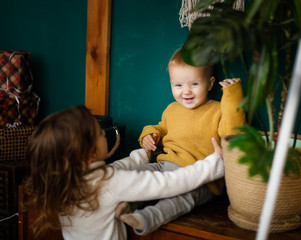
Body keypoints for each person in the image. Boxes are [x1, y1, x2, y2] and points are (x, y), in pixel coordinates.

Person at [22, 105, 224, 240]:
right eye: (100, 134)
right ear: (87, 152)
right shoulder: (108, 183)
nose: (104, 135)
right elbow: (169, 182)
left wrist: (143, 155)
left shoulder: (66, 182)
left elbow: (116, 168)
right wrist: (214, 162)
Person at [119, 49, 246, 235]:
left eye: (194, 84)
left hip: (201, 177)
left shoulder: (218, 110)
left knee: (183, 199)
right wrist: (149, 135)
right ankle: (125, 204)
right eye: (178, 85)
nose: (186, 91)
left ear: (210, 83)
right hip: (165, 167)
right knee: (138, 175)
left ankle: (147, 218)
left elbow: (232, 132)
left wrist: (232, 96)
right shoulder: (171, 109)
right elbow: (160, 128)